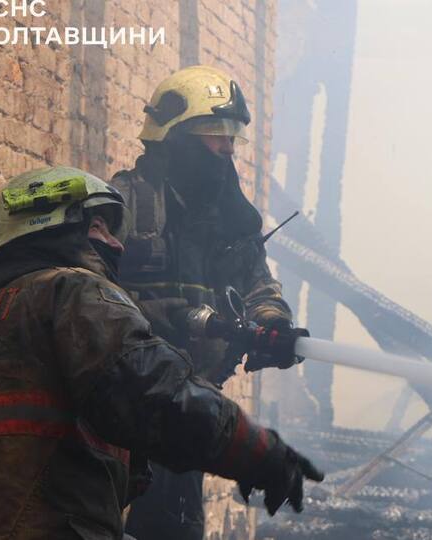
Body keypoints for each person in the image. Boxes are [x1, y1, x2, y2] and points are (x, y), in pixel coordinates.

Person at [0, 166, 323, 539]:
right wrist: (256, 450)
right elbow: (153, 392)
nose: (118, 244)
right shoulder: (70, 292)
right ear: (49, 225)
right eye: (100, 225)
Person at [112, 65, 307, 538]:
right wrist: (166, 317)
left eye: (231, 135)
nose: (227, 147)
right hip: (121, 404)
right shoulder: (124, 203)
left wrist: (272, 323)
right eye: (215, 132)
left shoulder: (230, 218)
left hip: (189, 406)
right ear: (175, 136)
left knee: (174, 528)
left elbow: (259, 285)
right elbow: (87, 292)